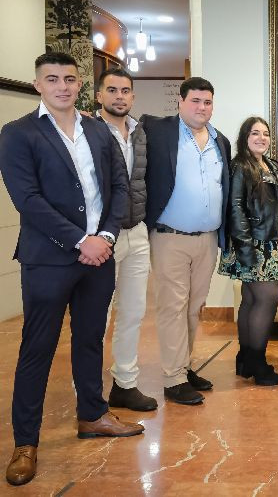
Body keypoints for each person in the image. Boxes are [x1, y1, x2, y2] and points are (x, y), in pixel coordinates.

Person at [1, 52, 143, 487]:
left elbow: (118, 186)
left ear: (80, 84)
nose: (61, 86)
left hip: (100, 258)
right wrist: (82, 241)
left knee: (89, 340)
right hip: (49, 259)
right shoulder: (18, 133)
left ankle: (93, 415)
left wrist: (107, 237)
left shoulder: (98, 130)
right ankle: (26, 442)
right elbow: (27, 199)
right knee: (37, 348)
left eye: (68, 79)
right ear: (38, 84)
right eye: (52, 79)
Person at [143, 77, 231, 405]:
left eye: (207, 102)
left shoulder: (220, 141)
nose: (201, 107)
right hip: (170, 237)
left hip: (207, 240)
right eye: (195, 100)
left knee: (194, 308)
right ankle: (173, 378)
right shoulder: (157, 130)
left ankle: (184, 366)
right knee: (173, 307)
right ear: (180, 101)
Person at [94, 67, 156, 411]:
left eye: (125, 91)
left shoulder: (140, 132)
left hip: (137, 231)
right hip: (103, 235)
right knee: (96, 316)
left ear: (133, 96)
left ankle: (125, 384)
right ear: (99, 95)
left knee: (133, 312)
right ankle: (88, 392)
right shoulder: (86, 130)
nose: (119, 96)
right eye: (112, 90)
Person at [217, 117, 278, 386]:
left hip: (270, 241)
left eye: (265, 133)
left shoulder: (270, 165)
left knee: (250, 298)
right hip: (253, 243)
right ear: (245, 137)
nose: (261, 138)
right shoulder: (241, 166)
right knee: (269, 296)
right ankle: (258, 363)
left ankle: (245, 358)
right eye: (255, 133)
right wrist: (246, 250)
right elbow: (235, 209)